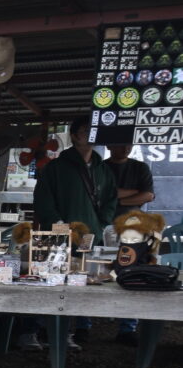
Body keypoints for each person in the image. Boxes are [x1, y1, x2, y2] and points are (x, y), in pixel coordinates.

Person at [31, 115, 118, 349]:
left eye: (93, 131)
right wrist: (58, 224)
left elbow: (111, 199)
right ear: (73, 136)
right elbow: (43, 199)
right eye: (84, 131)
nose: (89, 136)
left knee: (86, 280)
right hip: (58, 235)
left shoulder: (103, 169)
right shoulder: (56, 167)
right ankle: (46, 329)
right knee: (54, 281)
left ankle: (80, 329)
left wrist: (102, 224)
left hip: (92, 235)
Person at [106, 142, 155, 344]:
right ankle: (84, 326)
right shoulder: (102, 167)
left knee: (133, 272)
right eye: (120, 144)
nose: (125, 147)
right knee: (94, 270)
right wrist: (133, 194)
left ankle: (127, 328)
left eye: (129, 144)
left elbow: (148, 195)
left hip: (133, 227)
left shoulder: (140, 167)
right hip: (103, 224)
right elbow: (101, 193)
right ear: (109, 145)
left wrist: (115, 199)